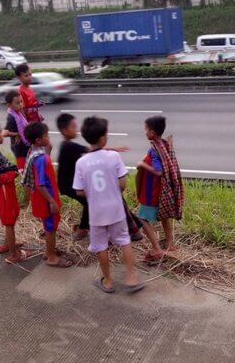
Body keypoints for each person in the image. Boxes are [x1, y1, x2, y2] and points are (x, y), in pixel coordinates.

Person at [73, 116, 144, 294]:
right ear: (104, 138)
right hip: (116, 209)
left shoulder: (81, 162)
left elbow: (79, 191)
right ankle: (131, 277)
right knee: (124, 240)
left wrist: (92, 191)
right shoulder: (113, 156)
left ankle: (108, 281)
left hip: (96, 212)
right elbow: (122, 183)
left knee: (101, 246)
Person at [55, 113, 139, 241]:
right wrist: (113, 150)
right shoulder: (68, 146)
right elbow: (92, 149)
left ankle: (85, 229)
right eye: (73, 126)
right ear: (64, 131)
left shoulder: (67, 146)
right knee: (92, 200)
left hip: (70, 184)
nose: (76, 129)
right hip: (69, 185)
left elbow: (92, 150)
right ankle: (86, 230)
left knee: (90, 202)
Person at [0, 119, 32, 264]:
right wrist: (12, 175)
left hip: (6, 189)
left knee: (12, 215)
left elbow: (1, 168)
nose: (2, 135)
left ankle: (7, 244)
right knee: (9, 220)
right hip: (2, 190)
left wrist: (13, 169)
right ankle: (14, 254)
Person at [21, 122, 73, 268]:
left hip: (42, 197)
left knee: (49, 226)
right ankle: (51, 257)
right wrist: (51, 202)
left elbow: (41, 171)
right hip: (46, 198)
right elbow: (40, 183)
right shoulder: (41, 159)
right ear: (38, 140)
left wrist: (48, 148)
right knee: (50, 228)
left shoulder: (35, 153)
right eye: (46, 135)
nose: (48, 137)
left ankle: (49, 250)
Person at [136, 115, 184, 263]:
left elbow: (158, 171)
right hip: (163, 190)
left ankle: (156, 248)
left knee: (142, 218)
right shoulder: (164, 144)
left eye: (146, 129)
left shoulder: (154, 150)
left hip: (153, 192)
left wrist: (142, 164)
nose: (144, 132)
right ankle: (170, 244)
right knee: (164, 217)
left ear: (152, 133)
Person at [2, 90, 30, 171]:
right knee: (24, 171)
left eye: (21, 102)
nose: (21, 105)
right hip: (19, 150)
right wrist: (16, 134)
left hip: (25, 146)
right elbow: (4, 133)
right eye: (17, 103)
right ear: (9, 105)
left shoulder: (17, 113)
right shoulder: (11, 117)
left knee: (29, 169)